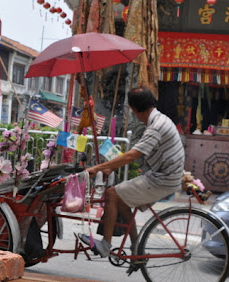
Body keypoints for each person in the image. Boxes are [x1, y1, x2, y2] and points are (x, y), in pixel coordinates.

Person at [79, 86, 185, 258]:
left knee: (112, 194)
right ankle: (137, 246)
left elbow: (132, 155)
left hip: (163, 179)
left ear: (135, 109)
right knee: (121, 201)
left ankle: (106, 245)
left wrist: (95, 169)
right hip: (163, 175)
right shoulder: (159, 119)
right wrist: (110, 167)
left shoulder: (156, 126)